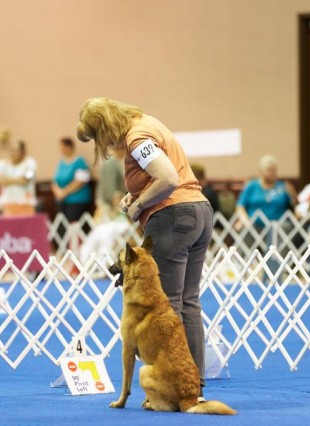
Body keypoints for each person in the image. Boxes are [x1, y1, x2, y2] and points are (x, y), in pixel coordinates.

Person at [77, 97, 212, 399]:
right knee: (188, 301)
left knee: (169, 304)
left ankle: (175, 386)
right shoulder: (147, 123)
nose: (105, 144)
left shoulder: (136, 137)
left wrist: (138, 205)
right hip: (199, 212)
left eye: (99, 137)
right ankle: (193, 384)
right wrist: (133, 194)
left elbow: (166, 178)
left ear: (105, 127)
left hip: (173, 218)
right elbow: (161, 176)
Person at [51, 137, 92, 240]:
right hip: (62, 201)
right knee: (62, 226)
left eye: (63, 147)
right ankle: (64, 250)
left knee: (73, 225)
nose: (61, 149)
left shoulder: (80, 161)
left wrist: (65, 192)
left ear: (70, 147)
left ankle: (75, 249)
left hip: (76, 200)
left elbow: (80, 180)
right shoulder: (61, 163)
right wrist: (58, 192)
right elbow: (55, 180)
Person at [0, 140, 37, 215]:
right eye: (11, 150)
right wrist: (19, 178)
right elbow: (2, 181)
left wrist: (8, 180)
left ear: (23, 152)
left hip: (26, 203)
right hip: (8, 203)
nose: (13, 153)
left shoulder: (30, 164)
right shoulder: (2, 165)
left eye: (16, 150)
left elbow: (26, 180)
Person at [94, 145, 126, 222]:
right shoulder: (112, 162)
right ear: (120, 150)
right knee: (109, 225)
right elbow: (110, 184)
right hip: (109, 201)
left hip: (107, 199)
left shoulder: (111, 160)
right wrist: (115, 202)